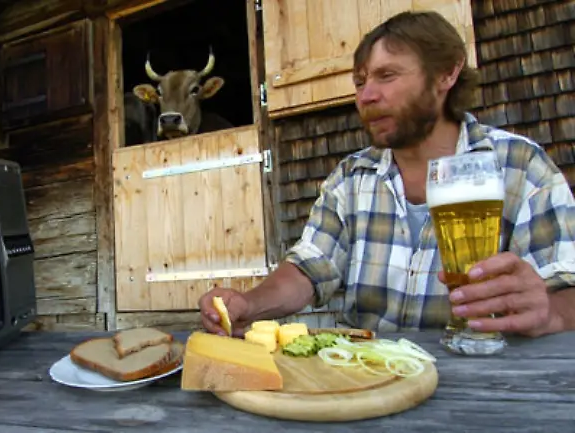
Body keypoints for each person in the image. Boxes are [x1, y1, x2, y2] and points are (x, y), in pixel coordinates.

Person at [199, 11, 575, 339]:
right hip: (370, 381)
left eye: (387, 75)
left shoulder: (519, 165)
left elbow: (568, 289)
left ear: (447, 72)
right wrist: (249, 304)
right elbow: (309, 269)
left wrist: (550, 312)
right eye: (360, 82)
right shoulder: (351, 177)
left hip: (486, 388)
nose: (366, 96)